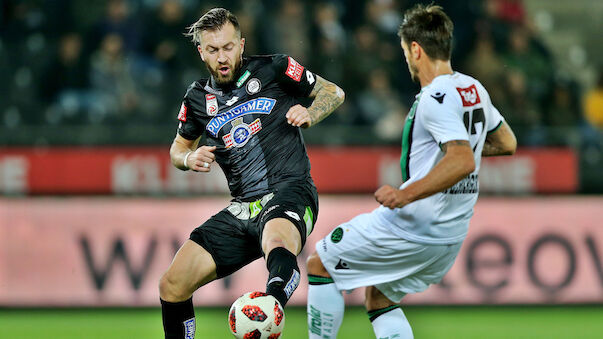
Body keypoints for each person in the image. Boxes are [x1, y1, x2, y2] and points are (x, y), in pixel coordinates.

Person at [306, 4, 516, 339]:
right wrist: (453, 155)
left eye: (405, 50)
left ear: (415, 49)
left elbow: (462, 160)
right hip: (451, 233)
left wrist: (404, 194)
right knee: (379, 298)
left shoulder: (435, 96)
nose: (405, 58)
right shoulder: (474, 88)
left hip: (416, 224)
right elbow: (506, 142)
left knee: (320, 263)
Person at [157, 8, 345, 339]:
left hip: (291, 190)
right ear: (201, 52)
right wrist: (189, 158)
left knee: (276, 239)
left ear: (241, 45)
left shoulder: (275, 68)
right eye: (213, 50)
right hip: (242, 207)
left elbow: (333, 93)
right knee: (172, 284)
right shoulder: (197, 97)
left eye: (228, 47)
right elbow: (177, 149)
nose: (222, 57)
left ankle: (269, 312)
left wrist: (311, 112)